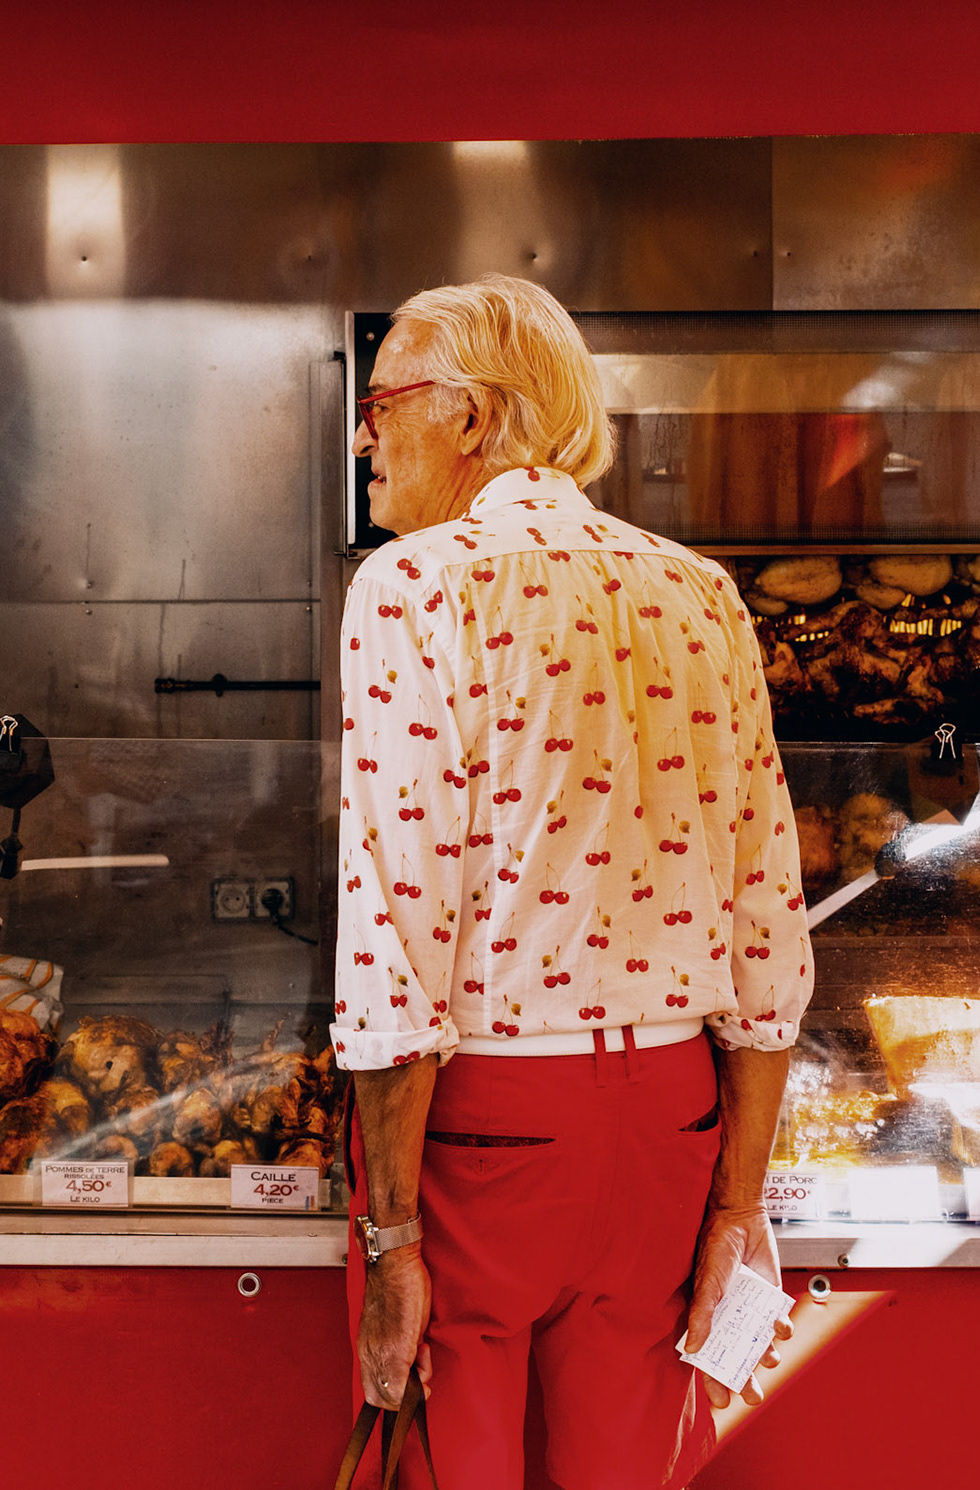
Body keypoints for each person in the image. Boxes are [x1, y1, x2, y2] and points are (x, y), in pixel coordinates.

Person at [332, 274, 813, 1488]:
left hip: (485, 1133)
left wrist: (393, 1238)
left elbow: (398, 927)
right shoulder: (701, 589)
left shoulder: (418, 582)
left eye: (381, 400)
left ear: (472, 418)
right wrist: (736, 1206)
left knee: (452, 1458)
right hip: (668, 1123)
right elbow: (770, 929)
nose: (363, 433)